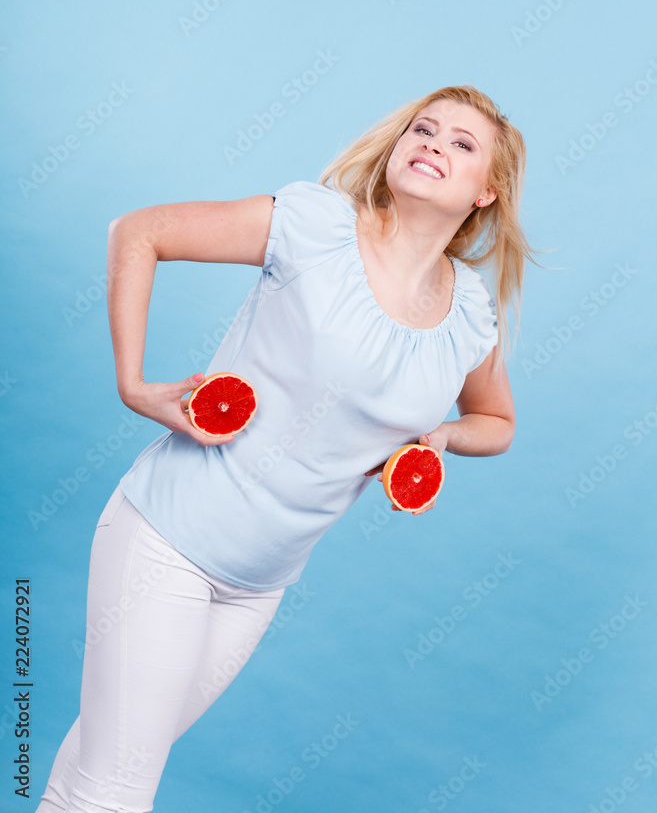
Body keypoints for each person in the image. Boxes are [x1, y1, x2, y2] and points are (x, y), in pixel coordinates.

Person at [36, 83, 537, 812]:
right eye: (423, 129)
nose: (432, 143)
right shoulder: (314, 226)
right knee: (116, 788)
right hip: (166, 541)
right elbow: (138, 231)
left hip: (258, 587)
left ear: (485, 194)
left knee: (95, 768)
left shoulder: (468, 313)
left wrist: (440, 436)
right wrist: (134, 385)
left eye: (461, 143)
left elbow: (497, 422)